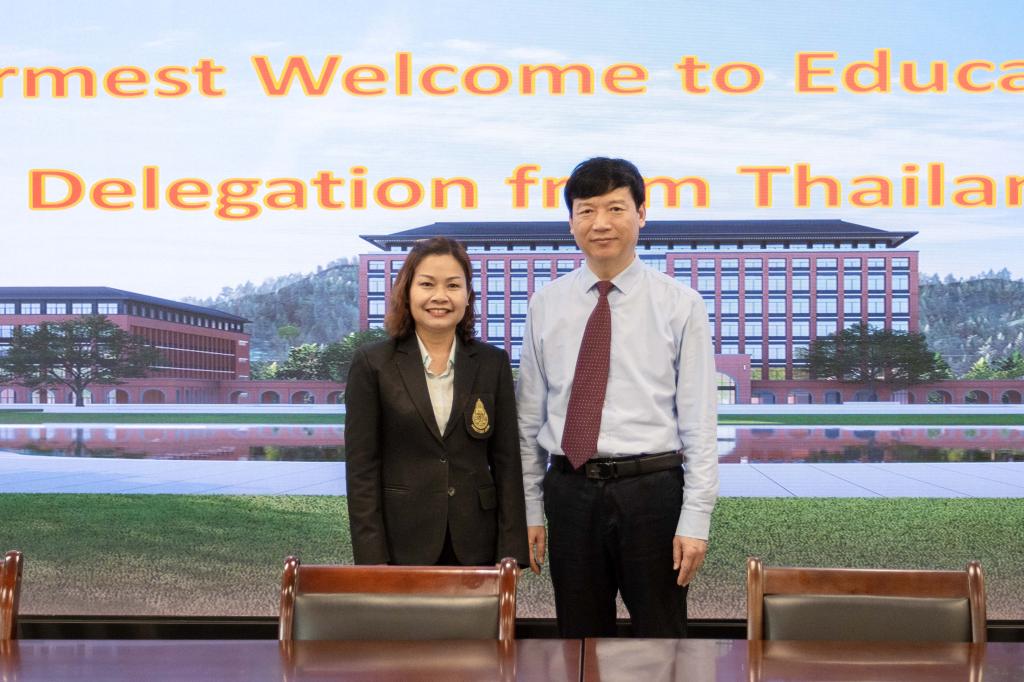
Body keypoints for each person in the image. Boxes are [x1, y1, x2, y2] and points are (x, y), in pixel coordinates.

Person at [517, 157, 719, 637]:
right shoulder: (546, 304)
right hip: (570, 491)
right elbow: (528, 419)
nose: (600, 223)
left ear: (641, 214)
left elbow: (699, 422)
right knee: (579, 637)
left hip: (653, 492)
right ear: (571, 222)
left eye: (615, 208)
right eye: (586, 211)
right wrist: (529, 509)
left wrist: (696, 518)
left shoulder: (680, 304)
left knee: (662, 637)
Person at [345, 236, 529, 567]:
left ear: (468, 296)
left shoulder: (492, 363)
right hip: (402, 542)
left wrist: (511, 554)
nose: (440, 296)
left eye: (453, 285)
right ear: (407, 292)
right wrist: (372, 560)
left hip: (477, 542)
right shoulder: (373, 364)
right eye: (427, 284)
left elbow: (507, 463)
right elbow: (362, 470)